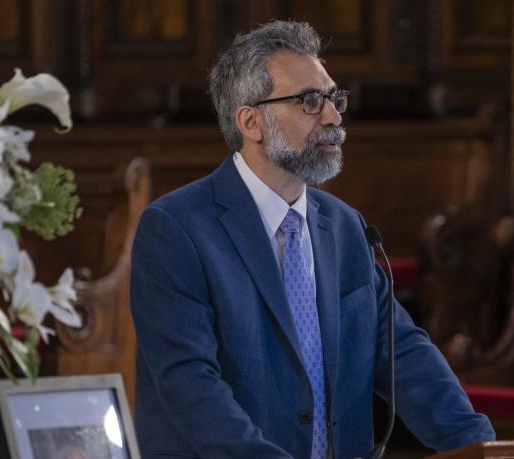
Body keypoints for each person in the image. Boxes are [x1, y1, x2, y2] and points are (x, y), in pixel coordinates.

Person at [129, 20, 495, 458]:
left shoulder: (346, 227)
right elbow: (190, 383)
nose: (333, 116)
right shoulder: (177, 228)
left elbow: (402, 354)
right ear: (251, 121)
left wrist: (478, 446)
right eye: (309, 101)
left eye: (333, 98)